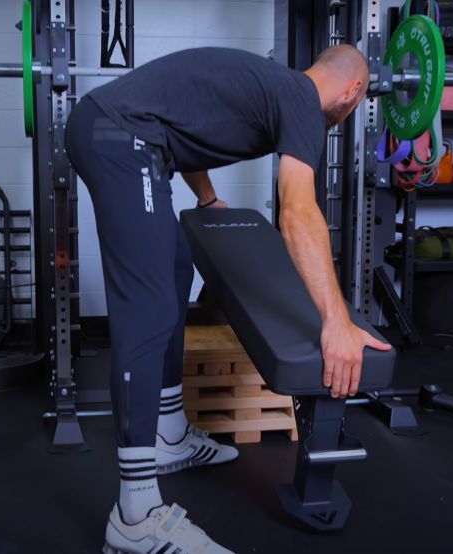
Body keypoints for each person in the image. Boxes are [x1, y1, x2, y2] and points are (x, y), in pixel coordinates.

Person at [65, 44, 390, 554]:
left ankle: (168, 434)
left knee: (172, 264)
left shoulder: (272, 90)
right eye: (359, 99)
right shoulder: (302, 100)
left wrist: (207, 196)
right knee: (146, 309)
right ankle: (135, 514)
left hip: (126, 135)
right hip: (118, 135)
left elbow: (184, 122)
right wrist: (336, 322)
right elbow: (297, 214)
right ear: (352, 92)